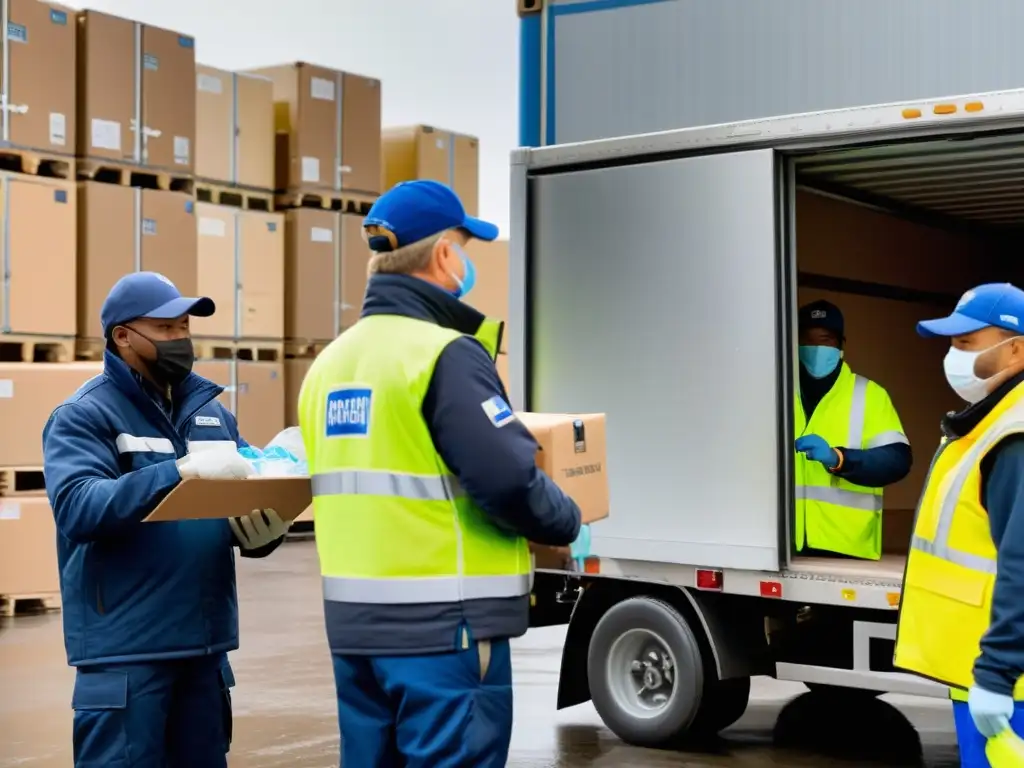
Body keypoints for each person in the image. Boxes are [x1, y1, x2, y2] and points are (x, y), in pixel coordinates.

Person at [297, 179, 585, 767]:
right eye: (464, 245)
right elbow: (507, 480)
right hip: (443, 628)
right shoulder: (443, 354)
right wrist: (567, 518)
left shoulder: (329, 365)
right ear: (443, 254)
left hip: (354, 630)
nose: (468, 260)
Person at [42, 271, 291, 767]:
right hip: (127, 655)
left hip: (203, 651)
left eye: (185, 328)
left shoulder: (211, 416)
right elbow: (79, 507)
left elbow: (245, 495)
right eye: (167, 329)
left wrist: (267, 530)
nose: (181, 340)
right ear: (123, 336)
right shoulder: (84, 416)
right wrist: (177, 472)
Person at [894, 283, 1024, 767]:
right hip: (985, 672)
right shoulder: (991, 422)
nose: (953, 356)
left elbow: (1022, 564)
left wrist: (995, 675)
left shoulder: (1014, 435)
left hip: (1006, 682)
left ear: (1015, 347)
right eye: (951, 344)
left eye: (966, 343)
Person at [794, 299, 912, 559]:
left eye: (825, 340)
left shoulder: (869, 395)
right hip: (781, 548)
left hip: (846, 548)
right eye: (807, 340)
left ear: (840, 346)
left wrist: (840, 459)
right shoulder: (777, 391)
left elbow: (897, 460)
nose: (816, 349)